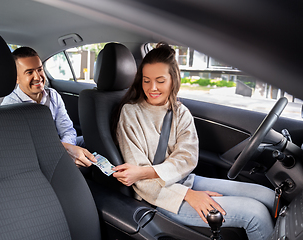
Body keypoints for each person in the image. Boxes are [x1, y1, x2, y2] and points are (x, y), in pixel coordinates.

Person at [112, 42, 274, 240]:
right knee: (255, 214)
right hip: (158, 195)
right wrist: (187, 195)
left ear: (173, 80)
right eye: (146, 80)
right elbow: (138, 179)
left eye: (160, 80)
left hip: (187, 181)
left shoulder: (180, 112)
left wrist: (176, 184)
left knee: (269, 196)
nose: (152, 88)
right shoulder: (131, 113)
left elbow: (187, 157)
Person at [1, 46, 95, 167]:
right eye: (29, 72)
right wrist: (64, 150)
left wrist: (67, 148)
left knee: (92, 141)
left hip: (59, 147)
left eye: (39, 69)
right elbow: (23, 148)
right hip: (34, 159)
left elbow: (68, 130)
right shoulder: (9, 108)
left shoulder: (53, 96)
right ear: (16, 78)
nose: (38, 77)